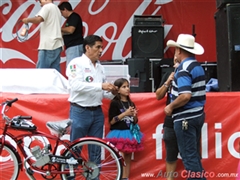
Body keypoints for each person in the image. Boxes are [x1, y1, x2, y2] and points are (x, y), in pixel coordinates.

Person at [66, 35, 117, 179]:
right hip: (80, 111)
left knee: (95, 150)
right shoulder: (76, 63)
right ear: (87, 47)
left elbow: (102, 93)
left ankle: (94, 178)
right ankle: (70, 177)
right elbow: (75, 86)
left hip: (97, 111)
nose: (101, 50)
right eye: (97, 47)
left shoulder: (100, 67)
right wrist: (101, 86)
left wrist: (113, 92)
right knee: (75, 149)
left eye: (101, 47)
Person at [164, 34, 206, 180]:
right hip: (197, 115)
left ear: (178, 50)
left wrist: (170, 106)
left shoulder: (183, 69)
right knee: (193, 155)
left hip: (185, 118)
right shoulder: (197, 66)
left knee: (189, 157)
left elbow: (185, 95)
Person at [105, 78, 144, 180]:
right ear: (117, 89)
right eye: (124, 87)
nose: (127, 89)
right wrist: (125, 114)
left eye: (128, 86)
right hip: (119, 133)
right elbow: (112, 121)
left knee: (128, 157)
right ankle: (121, 177)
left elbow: (134, 121)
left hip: (130, 133)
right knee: (120, 157)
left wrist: (134, 115)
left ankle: (126, 177)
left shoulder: (131, 103)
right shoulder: (115, 103)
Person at [22, 0, 63, 72]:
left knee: (42, 72)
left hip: (48, 45)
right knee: (55, 73)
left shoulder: (47, 7)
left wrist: (27, 20)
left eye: (40, 1)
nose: (40, 4)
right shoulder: (56, 8)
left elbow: (39, 19)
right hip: (57, 44)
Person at [155, 57, 179, 180]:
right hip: (170, 120)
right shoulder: (169, 74)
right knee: (170, 154)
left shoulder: (191, 72)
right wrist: (168, 82)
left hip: (187, 118)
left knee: (191, 154)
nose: (176, 59)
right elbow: (158, 95)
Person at [58, 2, 84, 66]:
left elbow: (70, 30)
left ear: (65, 9)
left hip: (74, 46)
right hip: (72, 46)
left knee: (73, 68)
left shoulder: (74, 16)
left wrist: (58, 28)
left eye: (61, 12)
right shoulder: (70, 18)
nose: (61, 15)